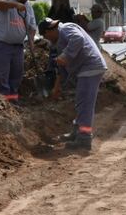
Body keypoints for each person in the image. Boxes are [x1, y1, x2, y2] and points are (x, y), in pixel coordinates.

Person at [38, 18, 107, 151]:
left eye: (49, 33)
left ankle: (84, 138)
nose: (48, 39)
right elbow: (61, 67)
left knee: (85, 104)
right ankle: (77, 131)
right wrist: (57, 87)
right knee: (81, 102)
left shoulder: (66, 28)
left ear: (47, 33)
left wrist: (65, 56)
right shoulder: (58, 43)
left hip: (90, 67)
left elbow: (78, 39)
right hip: (85, 69)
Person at [0, 0, 37, 104]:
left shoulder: (28, 6)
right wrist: (14, 5)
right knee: (1, 79)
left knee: (16, 79)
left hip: (17, 47)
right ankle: (3, 106)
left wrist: (31, 43)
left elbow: (31, 27)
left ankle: (13, 105)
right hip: (0, 45)